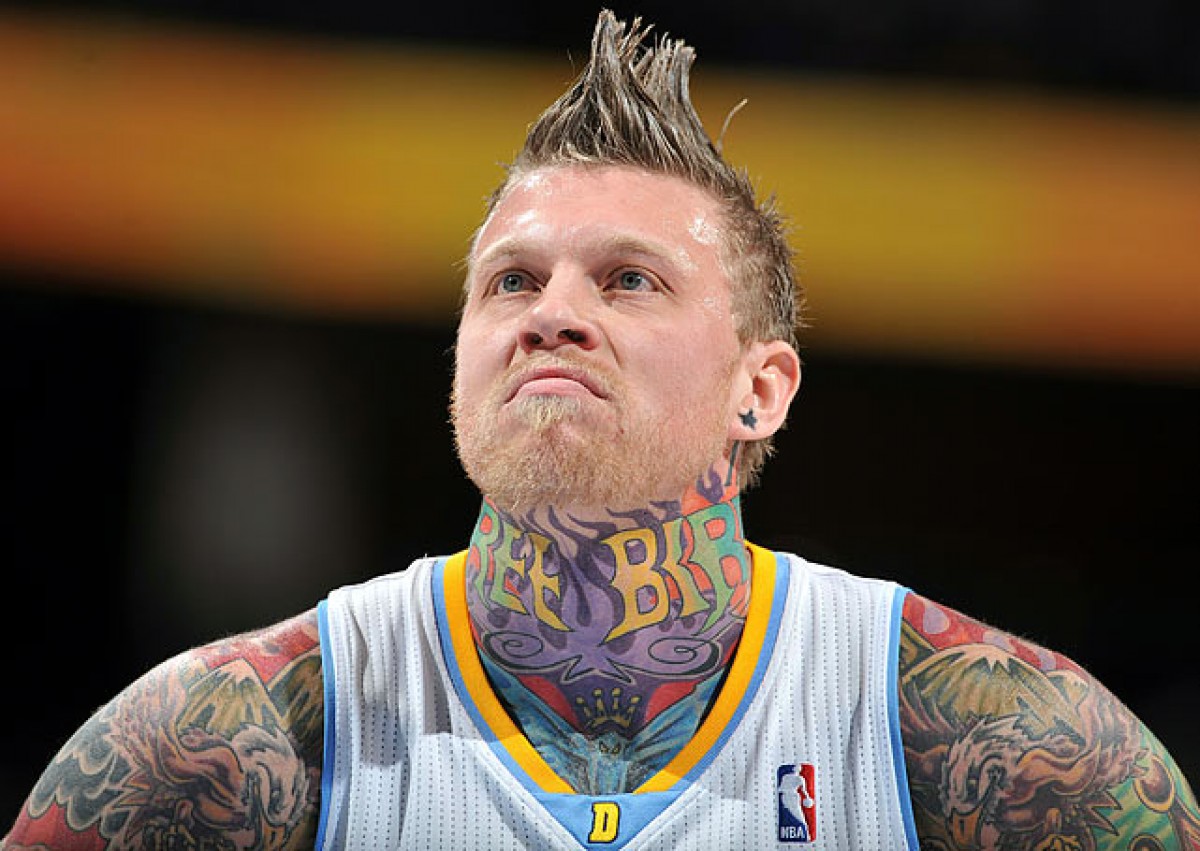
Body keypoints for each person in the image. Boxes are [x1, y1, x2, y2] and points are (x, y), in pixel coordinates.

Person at [3, 9, 1196, 851]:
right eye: (511, 282)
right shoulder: (233, 740)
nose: (552, 315)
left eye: (629, 279)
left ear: (761, 388)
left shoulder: (989, 739)